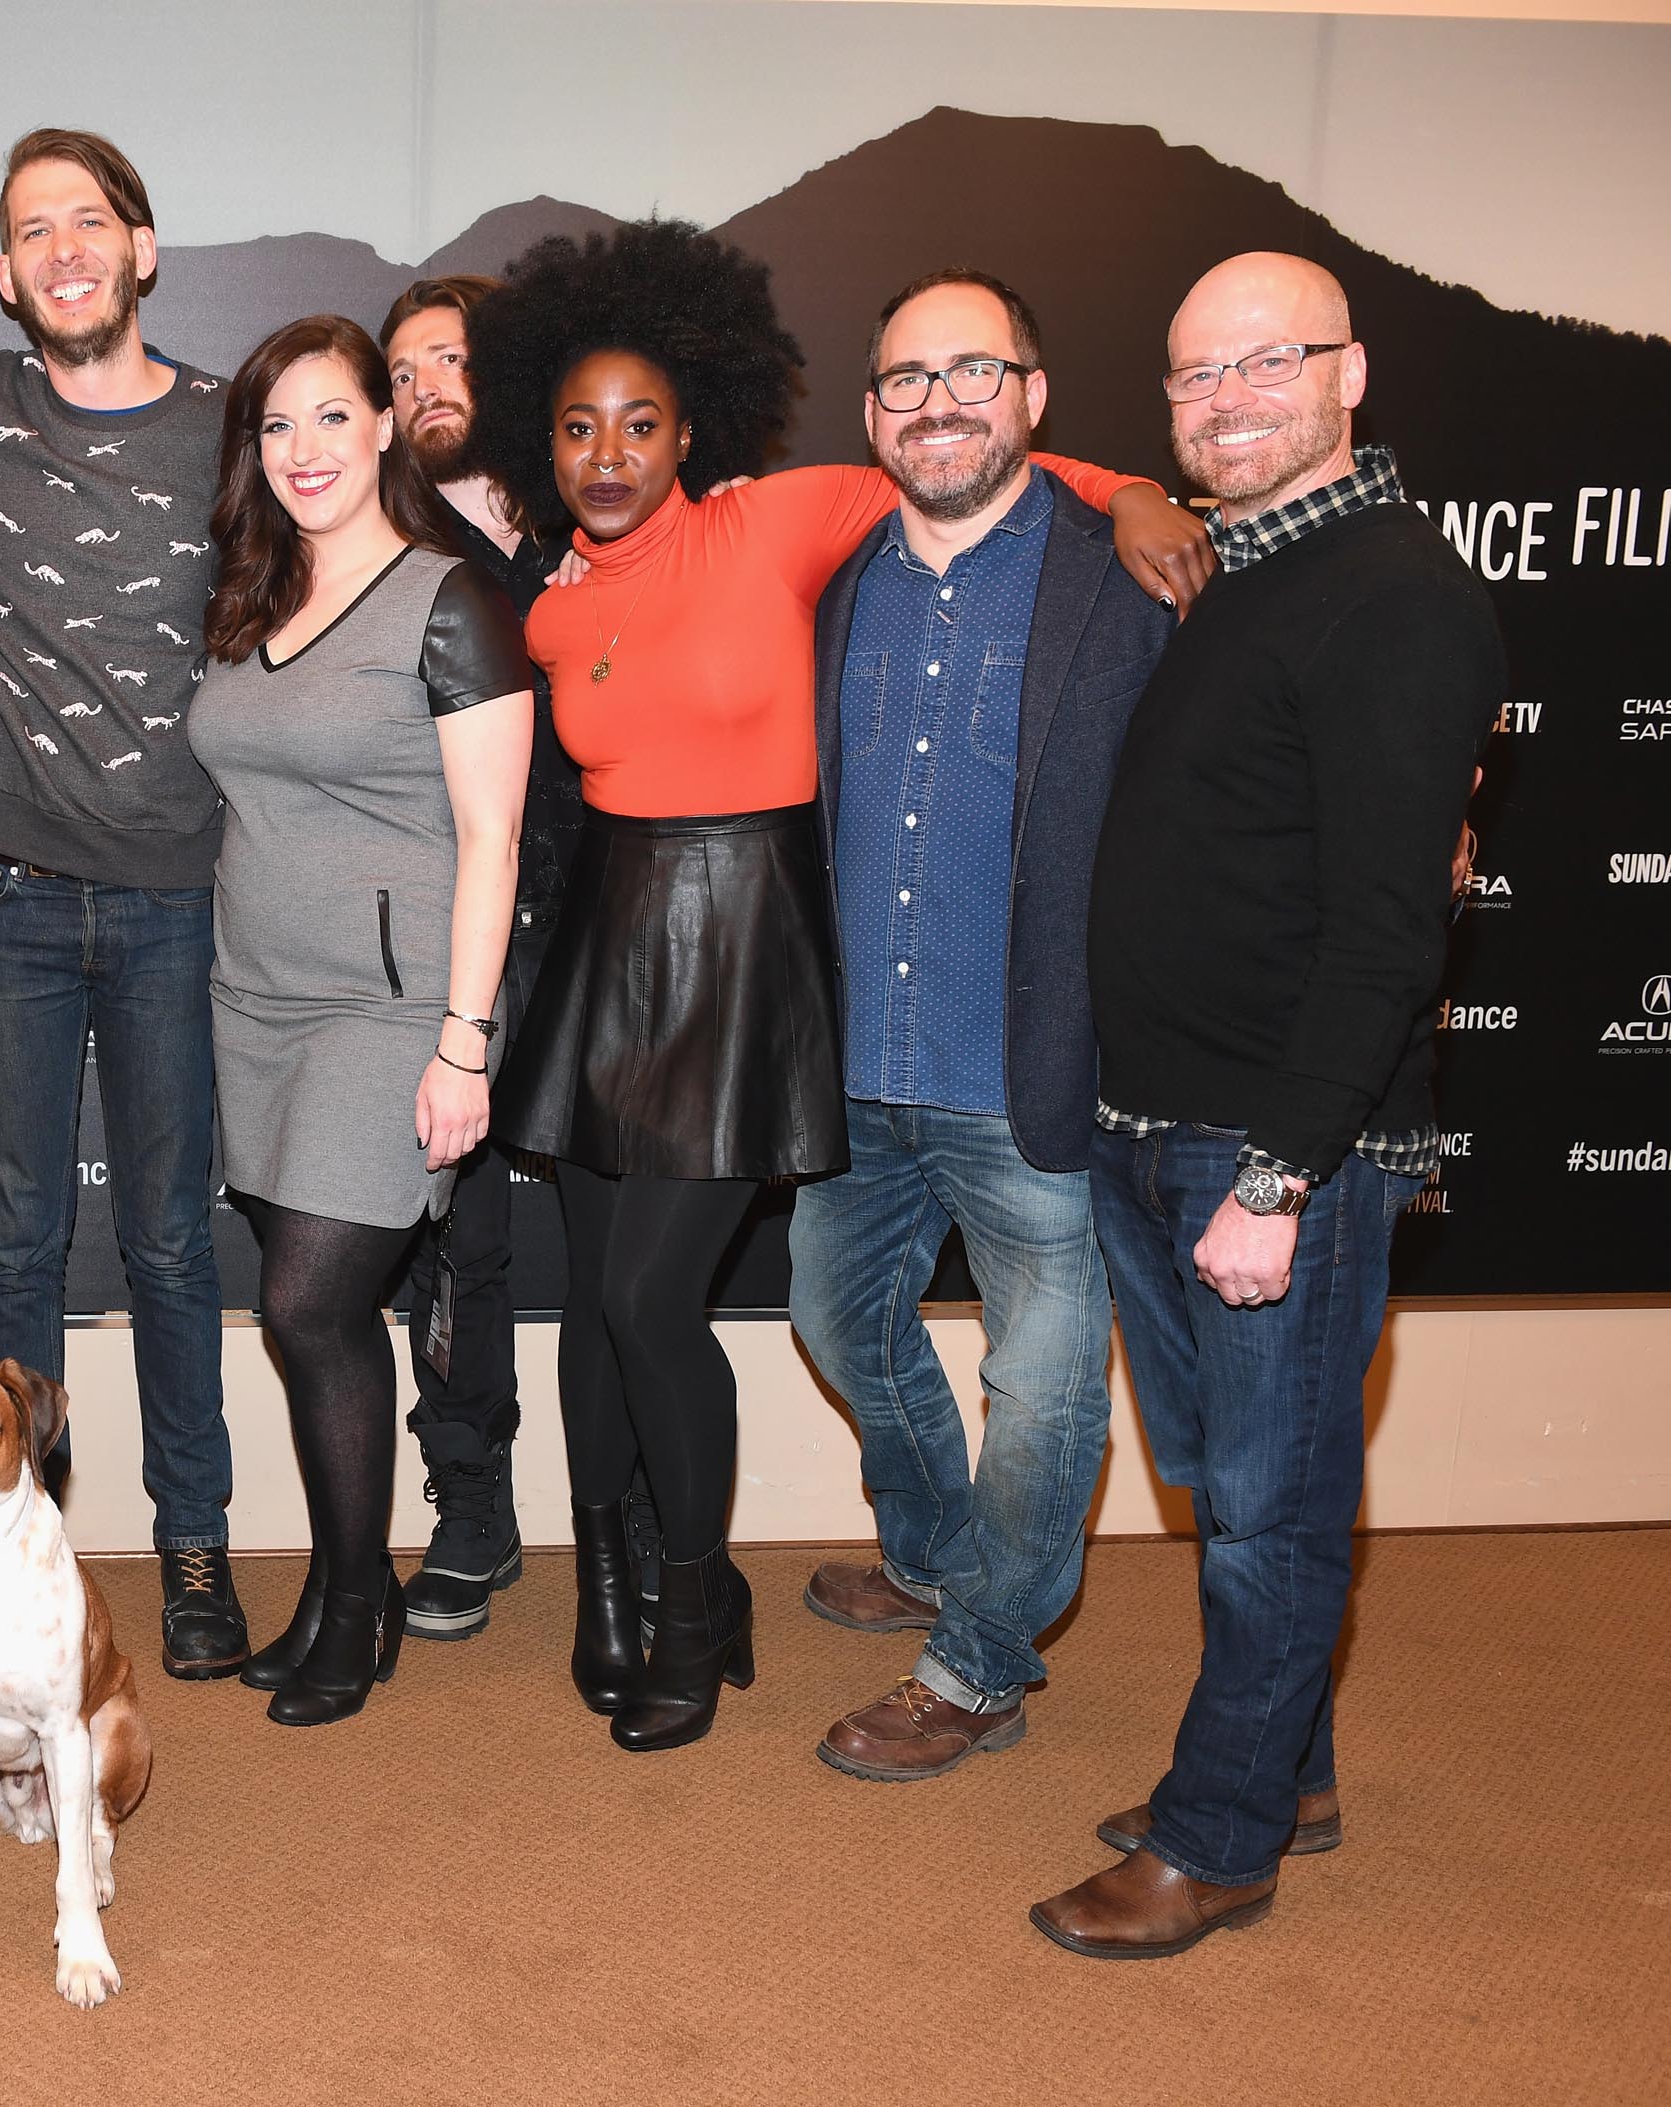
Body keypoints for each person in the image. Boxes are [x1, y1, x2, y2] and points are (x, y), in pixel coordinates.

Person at [470, 219, 1209, 1755]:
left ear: (697, 431)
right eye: (578, 426)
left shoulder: (789, 522)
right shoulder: (545, 611)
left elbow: (996, 472)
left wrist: (1134, 485)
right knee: (702, 1309)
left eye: (644, 423)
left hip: (761, 967)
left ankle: (775, 1614)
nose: (609, 451)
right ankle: (636, 1589)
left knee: (659, 1300)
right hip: (628, 960)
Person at [1032, 253, 1501, 1957]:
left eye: (1263, 366)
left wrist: (1280, 1179)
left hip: (1271, 1156)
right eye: (1191, 375)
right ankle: (1286, 1774)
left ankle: (1220, 1837)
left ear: (1349, 373)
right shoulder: (1250, 571)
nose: (1225, 399)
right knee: (1237, 1484)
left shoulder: (1399, 596)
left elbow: (1391, 929)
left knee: (1268, 1514)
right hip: (1164, 1133)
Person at [0, 130, 246, 1678]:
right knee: (16, 1244)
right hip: (10, 892)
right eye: (34, 230)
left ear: (141, 248)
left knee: (169, 1243)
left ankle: (198, 1551)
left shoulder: (235, 429)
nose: (66, 248)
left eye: (91, 220)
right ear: (11, 276)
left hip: (177, 895)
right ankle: (13, 1552)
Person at [788, 271, 1173, 1783]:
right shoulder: (840, 581)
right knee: (837, 1321)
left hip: (1039, 1076)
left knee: (1044, 1389)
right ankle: (944, 1551)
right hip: (858, 1073)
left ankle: (982, 1660)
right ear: (873, 411)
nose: (938, 403)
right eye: (905, 381)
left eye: (973, 371)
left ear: (1034, 392)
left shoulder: (1128, 577)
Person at [191, 315, 532, 1725]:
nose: (305, 451)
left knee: (309, 1304)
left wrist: (465, 1042)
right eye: (276, 427)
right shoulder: (247, 600)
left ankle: (358, 1605)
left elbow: (492, 836)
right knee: (314, 1325)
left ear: (386, 426)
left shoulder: (450, 599)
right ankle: (342, 1591)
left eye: (333, 417)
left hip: (390, 1013)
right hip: (253, 1002)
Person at [374, 276, 574, 1641]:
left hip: (606, 935)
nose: (424, 382)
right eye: (401, 370)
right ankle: (474, 1500)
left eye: (450, 357)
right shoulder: (381, 541)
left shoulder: (602, 508)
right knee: (455, 1241)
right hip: (451, 939)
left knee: (631, 1262)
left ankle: (629, 1532)